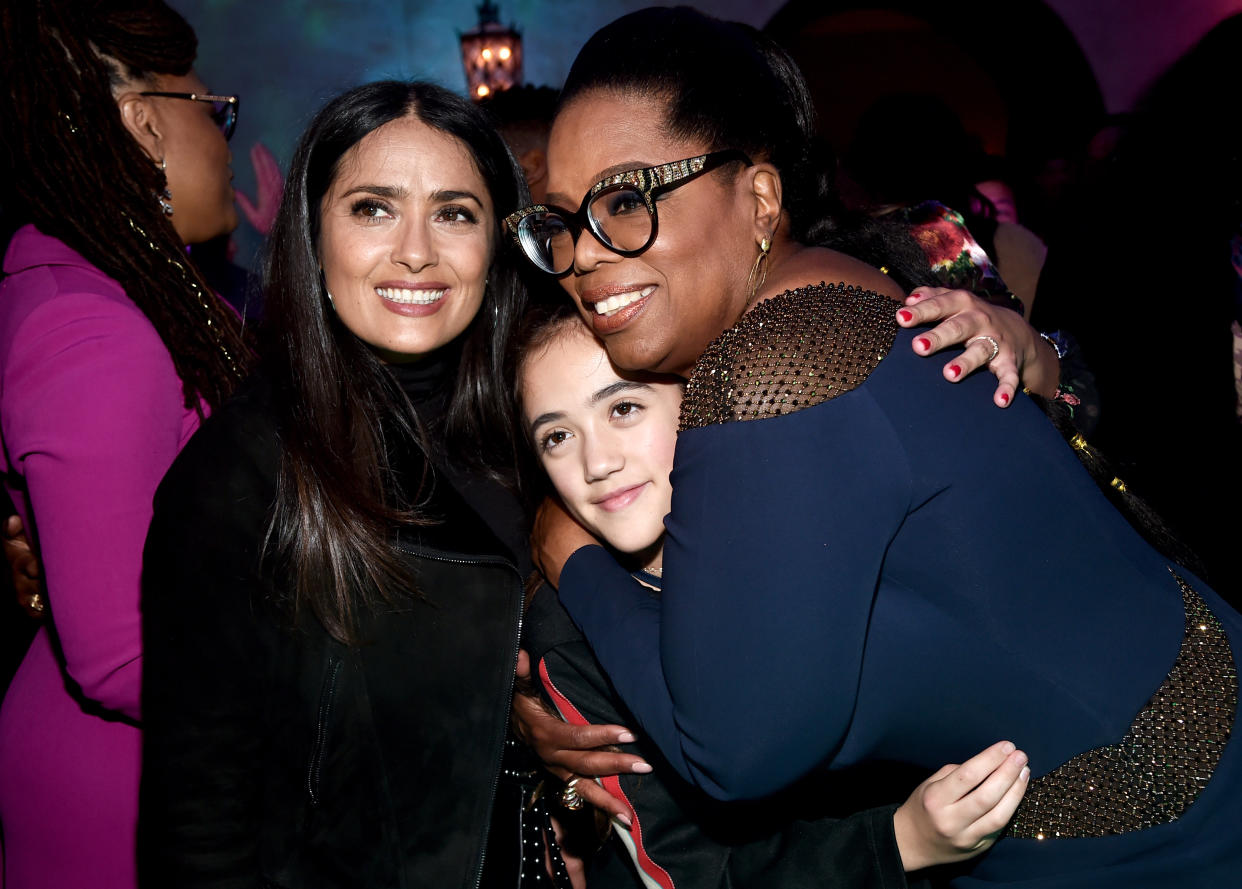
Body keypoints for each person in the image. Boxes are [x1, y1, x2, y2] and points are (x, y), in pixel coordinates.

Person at [513, 8, 1242, 887]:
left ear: (759, 198)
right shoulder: (846, 280)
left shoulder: (771, 362)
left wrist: (571, 555)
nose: (584, 254)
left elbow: (734, 752)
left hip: (1161, 838)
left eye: (626, 200)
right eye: (561, 221)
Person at [138, 79, 552, 889]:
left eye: (455, 212)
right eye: (373, 208)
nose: (416, 251)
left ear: (496, 242)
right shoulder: (244, 471)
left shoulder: (542, 436)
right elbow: (198, 825)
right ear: (313, 233)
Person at [511, 297, 1030, 888]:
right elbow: (690, 874)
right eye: (557, 436)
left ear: (702, 401)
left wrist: (1024, 345)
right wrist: (901, 841)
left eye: (624, 409)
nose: (596, 461)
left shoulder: (802, 528)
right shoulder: (569, 632)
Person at [0, 1, 250, 886]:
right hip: (132, 794)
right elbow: (120, 654)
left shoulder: (116, 287)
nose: (223, 140)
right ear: (146, 121)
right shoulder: (92, 325)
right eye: (210, 108)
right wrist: (337, 671)